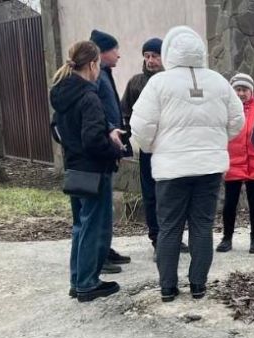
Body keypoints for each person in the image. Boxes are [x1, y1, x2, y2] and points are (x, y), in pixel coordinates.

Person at [130, 26, 244, 302]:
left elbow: (140, 126)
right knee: (202, 226)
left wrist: (152, 148)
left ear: (169, 51)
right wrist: (215, 141)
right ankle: (198, 285)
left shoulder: (159, 83)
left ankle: (168, 288)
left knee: (169, 227)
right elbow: (237, 122)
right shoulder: (218, 82)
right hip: (209, 168)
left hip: (171, 170)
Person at [49, 41, 125, 302]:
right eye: (98, 66)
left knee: (81, 225)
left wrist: (76, 147)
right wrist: (114, 144)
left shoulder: (62, 93)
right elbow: (93, 139)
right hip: (94, 171)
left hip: (75, 168)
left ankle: (78, 280)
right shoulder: (88, 95)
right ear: (92, 64)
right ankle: (87, 283)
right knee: (93, 225)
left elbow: (56, 130)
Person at [121, 37, 189, 253]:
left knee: (174, 194)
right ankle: (157, 239)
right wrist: (134, 138)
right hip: (148, 150)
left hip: (172, 149)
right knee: (151, 195)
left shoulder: (176, 81)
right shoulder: (136, 83)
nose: (150, 61)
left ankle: (174, 236)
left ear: (164, 57)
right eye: (147, 56)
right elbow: (126, 112)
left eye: (155, 56)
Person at [217, 73, 254, 254]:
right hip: (233, 163)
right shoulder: (226, 109)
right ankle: (227, 238)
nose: (241, 93)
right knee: (230, 204)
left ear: (251, 91)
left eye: (244, 90)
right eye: (238, 89)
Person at [89, 29, 131, 271]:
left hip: (110, 146)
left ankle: (105, 248)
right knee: (101, 205)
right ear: (102, 52)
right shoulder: (95, 76)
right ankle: (99, 253)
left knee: (106, 203)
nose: (119, 54)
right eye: (115, 49)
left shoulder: (105, 73)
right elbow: (94, 110)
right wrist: (109, 130)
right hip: (102, 148)